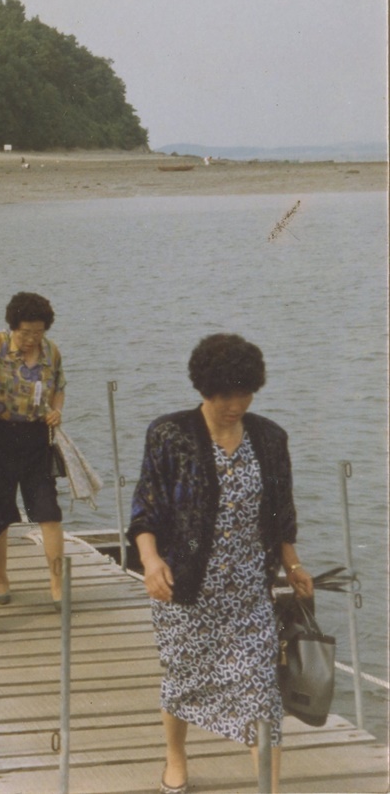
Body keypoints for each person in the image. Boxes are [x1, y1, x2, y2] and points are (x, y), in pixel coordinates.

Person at [127, 334, 313, 794]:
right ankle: (175, 756)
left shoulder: (270, 438)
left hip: (249, 590)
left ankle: (268, 789)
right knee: (183, 678)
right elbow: (144, 512)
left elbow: (280, 515)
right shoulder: (169, 435)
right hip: (184, 587)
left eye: (245, 392)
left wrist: (292, 564)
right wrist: (150, 563)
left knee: (261, 694)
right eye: (226, 394)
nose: (236, 404)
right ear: (204, 389)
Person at [0, 292, 66, 607]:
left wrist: (57, 412)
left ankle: (56, 581)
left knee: (49, 512)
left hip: (36, 439)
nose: (32, 338)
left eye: (39, 331)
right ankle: (1, 578)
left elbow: (59, 388)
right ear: (13, 326)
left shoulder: (52, 352)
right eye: (26, 332)